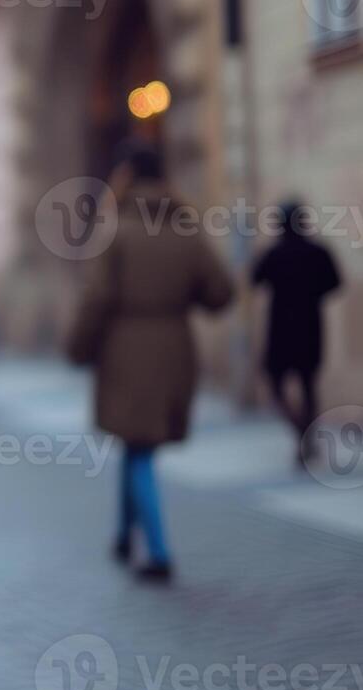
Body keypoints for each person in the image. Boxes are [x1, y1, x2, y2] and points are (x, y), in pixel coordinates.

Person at [67, 144, 234, 583]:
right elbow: (220, 294)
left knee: (137, 446)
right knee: (136, 442)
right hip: (176, 347)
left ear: (125, 176)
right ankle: (124, 533)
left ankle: (158, 551)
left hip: (125, 349)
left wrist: (78, 347)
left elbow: (96, 298)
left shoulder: (113, 230)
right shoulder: (185, 228)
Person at [251, 203, 343, 465]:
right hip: (310, 326)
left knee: (277, 385)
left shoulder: (275, 253)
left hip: (281, 329)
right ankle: (306, 433)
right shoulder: (318, 252)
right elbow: (334, 283)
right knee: (308, 385)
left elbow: (255, 280)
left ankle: (301, 430)